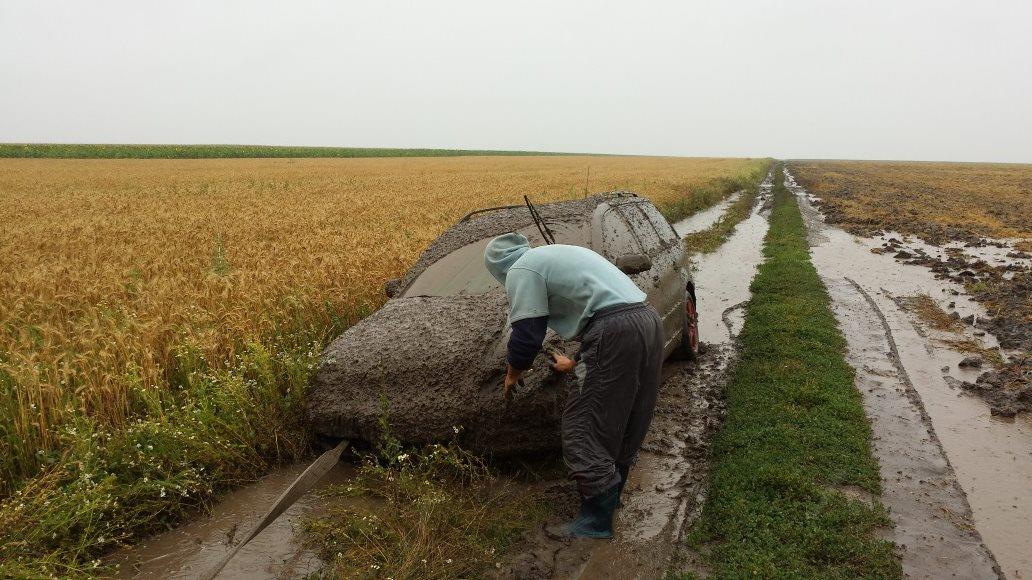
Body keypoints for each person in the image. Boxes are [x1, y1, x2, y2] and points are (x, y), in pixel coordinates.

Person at [483, 232, 664, 539]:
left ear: (497, 268)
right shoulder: (554, 255)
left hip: (615, 330)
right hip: (646, 321)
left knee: (583, 427)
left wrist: (513, 373)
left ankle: (595, 522)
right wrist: (577, 361)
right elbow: (606, 308)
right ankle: (611, 498)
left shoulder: (521, 269)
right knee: (628, 418)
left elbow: (527, 334)